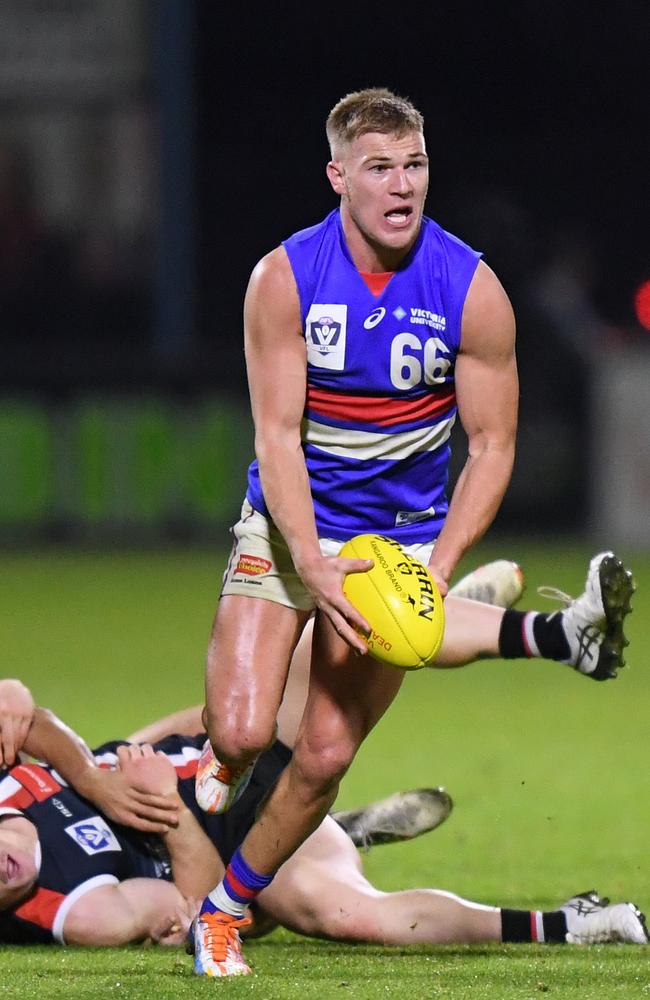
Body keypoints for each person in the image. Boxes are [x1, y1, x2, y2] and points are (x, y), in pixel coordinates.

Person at [194, 87, 636, 976]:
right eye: (380, 168)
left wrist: (433, 568)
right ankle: (219, 767)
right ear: (338, 177)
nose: (403, 186)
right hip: (290, 529)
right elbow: (276, 438)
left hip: (394, 544)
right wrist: (311, 562)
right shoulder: (283, 279)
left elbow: (493, 444)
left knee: (321, 755)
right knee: (241, 735)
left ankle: (221, 913)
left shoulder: (472, 289)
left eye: (415, 165)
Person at [0, 676, 646, 951]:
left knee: (343, 623)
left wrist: (93, 777)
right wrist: (166, 808)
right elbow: (199, 906)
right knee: (346, 915)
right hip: (231, 838)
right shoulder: (79, 911)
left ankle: (451, 607)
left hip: (216, 748)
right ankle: (570, 922)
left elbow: (18, 702)